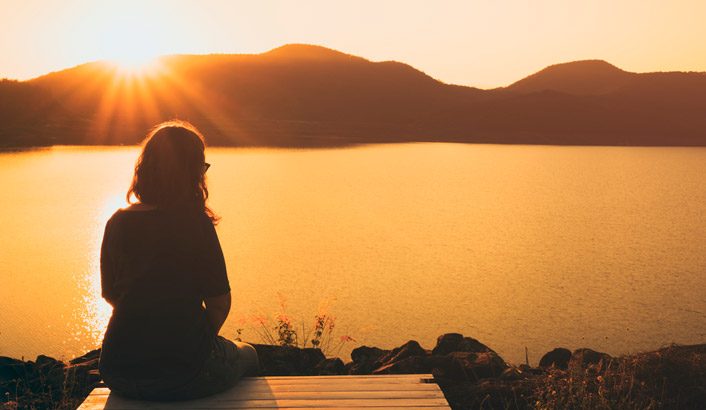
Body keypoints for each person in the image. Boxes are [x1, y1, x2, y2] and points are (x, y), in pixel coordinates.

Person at [98, 120, 259, 401]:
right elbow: (219, 304)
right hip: (182, 375)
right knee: (249, 354)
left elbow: (110, 293)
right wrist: (194, 343)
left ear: (146, 168)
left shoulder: (117, 221)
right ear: (192, 172)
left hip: (117, 371)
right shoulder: (195, 223)